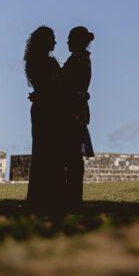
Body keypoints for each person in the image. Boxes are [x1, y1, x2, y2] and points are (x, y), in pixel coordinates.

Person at [23, 26, 62, 212]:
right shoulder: (46, 63)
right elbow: (55, 87)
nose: (55, 42)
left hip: (40, 108)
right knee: (50, 152)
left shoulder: (33, 61)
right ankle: (50, 196)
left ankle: (40, 196)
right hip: (49, 109)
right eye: (52, 39)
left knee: (41, 151)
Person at [57, 25, 95, 210]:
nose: (67, 42)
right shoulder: (82, 59)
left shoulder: (78, 60)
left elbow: (65, 84)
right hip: (76, 109)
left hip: (72, 111)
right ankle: (72, 195)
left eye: (70, 38)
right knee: (72, 155)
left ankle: (72, 196)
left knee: (71, 155)